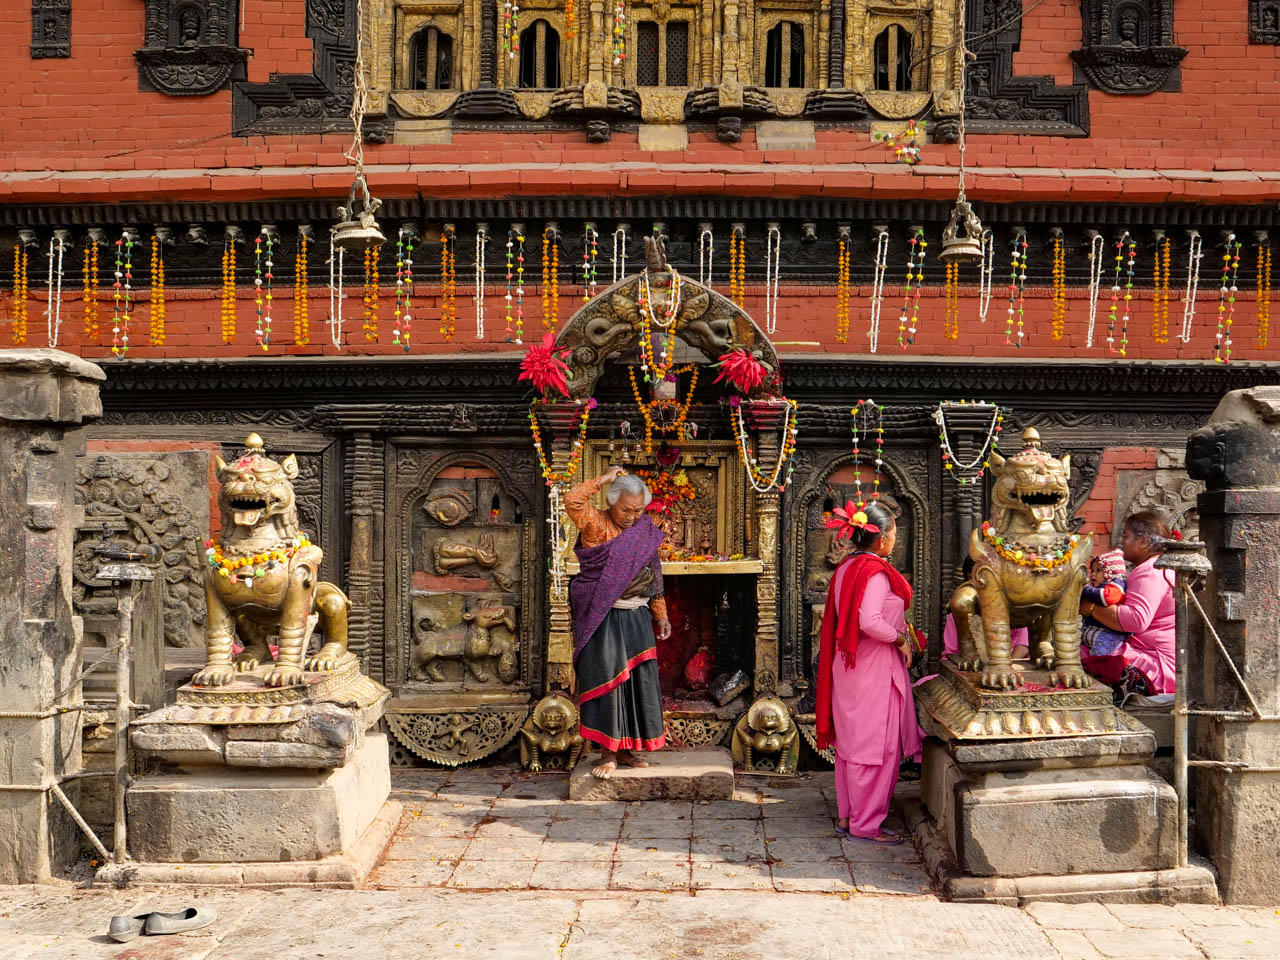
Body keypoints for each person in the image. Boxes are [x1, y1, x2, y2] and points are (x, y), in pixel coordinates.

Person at [815, 501, 924, 845]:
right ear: (881, 540)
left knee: (852, 745)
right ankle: (866, 824)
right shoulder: (874, 571)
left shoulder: (847, 568)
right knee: (876, 746)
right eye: (893, 532)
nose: (895, 539)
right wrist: (901, 639)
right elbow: (869, 621)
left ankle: (849, 817)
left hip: (850, 666)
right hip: (873, 665)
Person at [566, 465, 672, 779]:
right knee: (608, 682)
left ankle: (628, 750)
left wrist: (661, 614)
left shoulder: (643, 530)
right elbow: (572, 500)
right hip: (603, 616)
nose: (633, 516)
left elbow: (654, 572)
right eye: (626, 509)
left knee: (637, 683)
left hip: (637, 614)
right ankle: (608, 753)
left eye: (639, 510)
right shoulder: (595, 524)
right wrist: (602, 479)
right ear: (612, 503)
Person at [1079, 510, 1176, 697]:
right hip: (1157, 659)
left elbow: (1135, 620)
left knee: (1087, 655)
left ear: (1144, 542)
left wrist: (1091, 608)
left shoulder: (1151, 571)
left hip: (1156, 666)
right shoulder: (1158, 567)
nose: (1121, 542)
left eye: (1126, 536)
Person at [942, 557, 1029, 661]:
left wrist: (1007, 667)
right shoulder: (958, 613)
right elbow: (951, 653)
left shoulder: (1013, 607)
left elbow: (1023, 644)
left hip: (1012, 664)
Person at [1080, 548, 1128, 658]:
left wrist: (1086, 590)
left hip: (1106, 635)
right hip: (1090, 632)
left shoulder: (1116, 585)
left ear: (1110, 572)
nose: (1092, 575)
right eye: (1092, 570)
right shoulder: (1096, 587)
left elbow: (1108, 597)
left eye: (1098, 570)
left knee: (1099, 661)